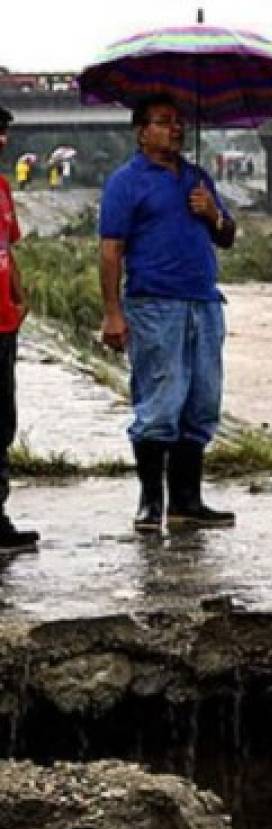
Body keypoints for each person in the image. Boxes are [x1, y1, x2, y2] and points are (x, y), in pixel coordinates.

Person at [98, 93, 238, 532]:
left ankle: (187, 502)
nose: (175, 129)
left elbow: (228, 237)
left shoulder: (197, 178)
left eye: (178, 122)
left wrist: (213, 213)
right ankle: (150, 503)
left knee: (202, 403)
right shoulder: (126, 182)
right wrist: (112, 313)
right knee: (160, 403)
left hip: (204, 304)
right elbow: (110, 251)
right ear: (142, 131)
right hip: (155, 306)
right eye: (164, 121)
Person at [0, 105, 39, 551]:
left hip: (4, 323)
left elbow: (7, 250)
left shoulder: (3, 190)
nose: (3, 141)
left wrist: (19, 296)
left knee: (0, 422)